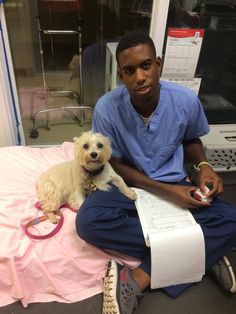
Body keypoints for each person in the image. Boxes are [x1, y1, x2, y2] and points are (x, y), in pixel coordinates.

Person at [76, 31, 236, 314]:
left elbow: (191, 140)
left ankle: (140, 277)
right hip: (127, 184)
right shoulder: (107, 108)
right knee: (88, 222)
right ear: (122, 76)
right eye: (129, 70)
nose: (140, 77)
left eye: (146, 65)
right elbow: (114, 164)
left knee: (231, 220)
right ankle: (199, 250)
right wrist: (166, 191)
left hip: (176, 180)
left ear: (158, 64)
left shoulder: (185, 100)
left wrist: (204, 167)